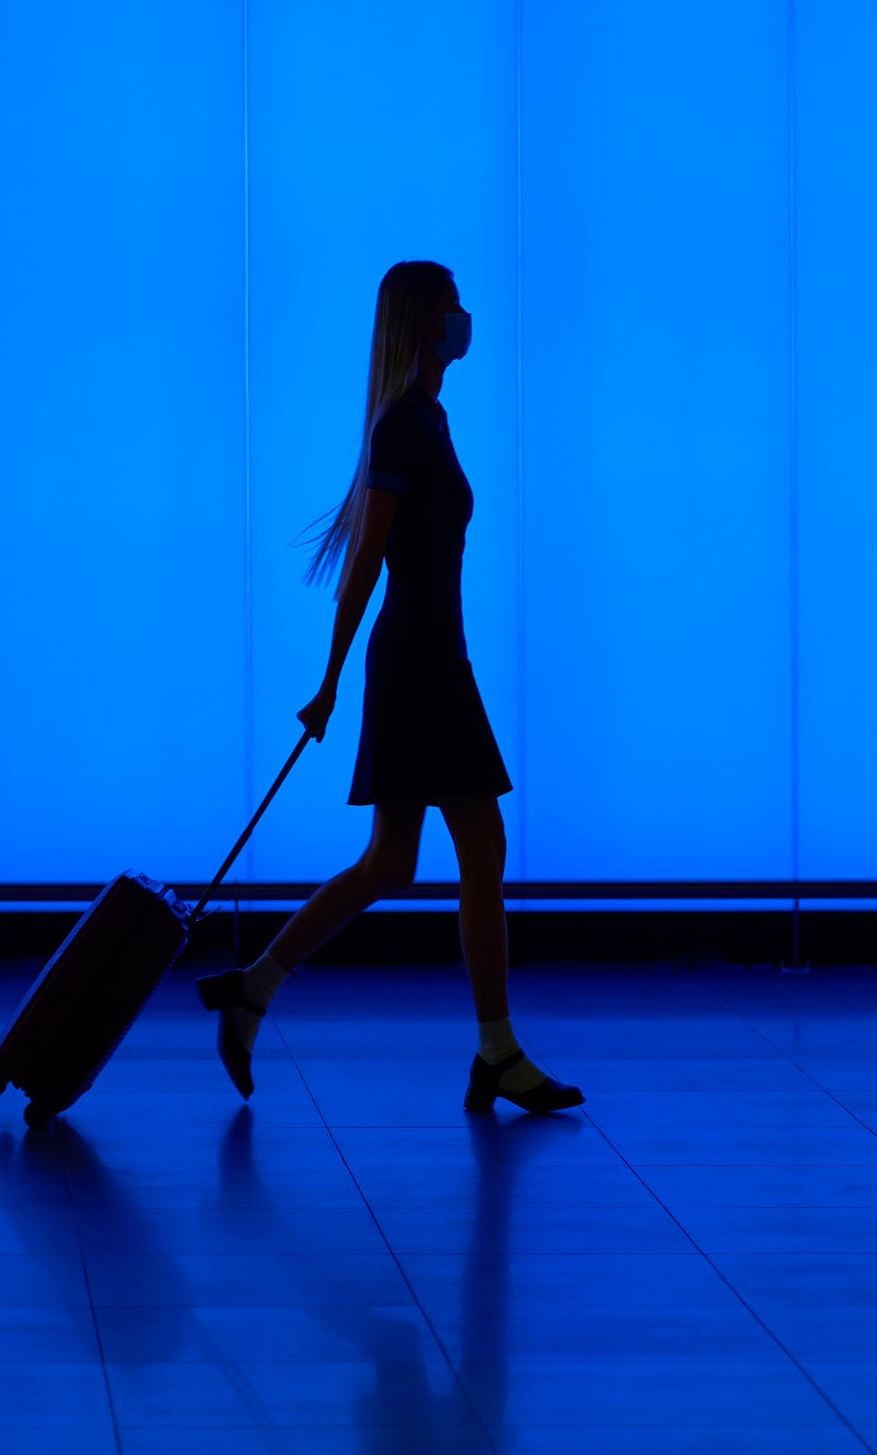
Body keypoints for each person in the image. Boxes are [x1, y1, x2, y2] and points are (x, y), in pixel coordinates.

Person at [196, 260, 584, 1116]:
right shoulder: (402, 428)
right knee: (478, 849)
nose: (463, 315)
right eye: (449, 303)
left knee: (393, 863)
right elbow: (366, 563)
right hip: (418, 663)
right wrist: (330, 680)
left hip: (436, 656)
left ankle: (253, 988)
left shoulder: (430, 420)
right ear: (423, 322)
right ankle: (498, 1052)